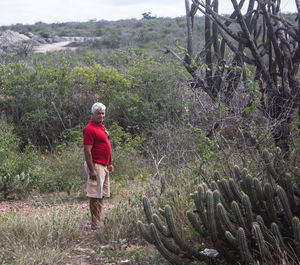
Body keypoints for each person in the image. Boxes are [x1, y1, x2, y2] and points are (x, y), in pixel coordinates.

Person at [83, 102, 114, 230]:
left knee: (101, 195)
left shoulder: (101, 127)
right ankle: (95, 223)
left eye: (102, 113)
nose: (101, 116)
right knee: (95, 195)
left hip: (104, 165)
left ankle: (98, 221)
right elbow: (87, 150)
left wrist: (110, 163)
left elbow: (106, 146)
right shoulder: (89, 129)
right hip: (95, 165)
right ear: (93, 114)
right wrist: (92, 170)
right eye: (98, 113)